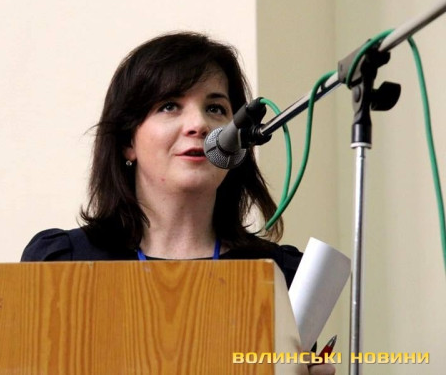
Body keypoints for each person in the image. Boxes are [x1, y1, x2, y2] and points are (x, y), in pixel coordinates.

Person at [22, 32, 334, 374]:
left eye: (215, 108)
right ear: (128, 141)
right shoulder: (63, 262)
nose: (199, 124)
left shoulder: (282, 275)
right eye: (169, 106)